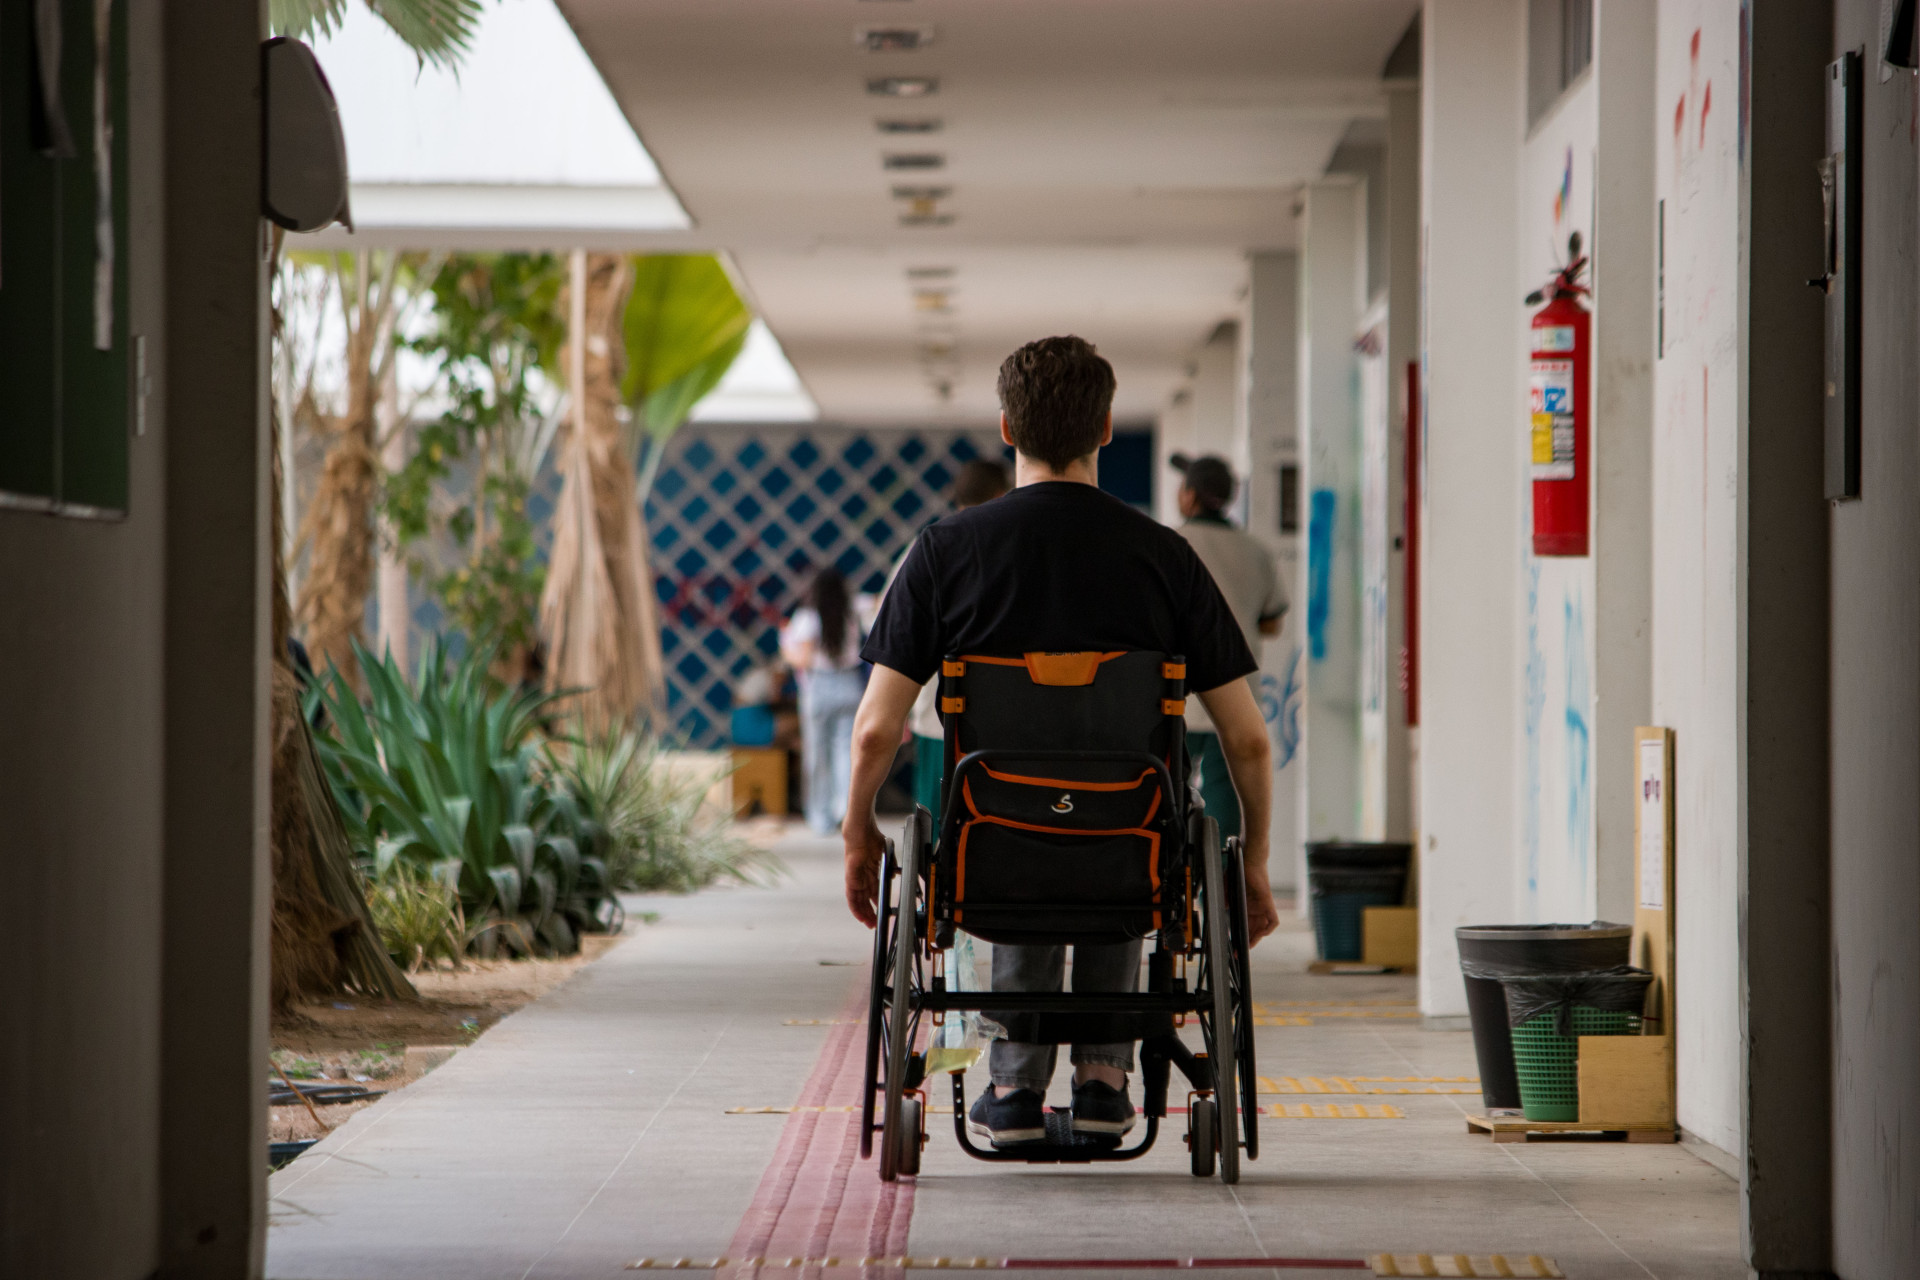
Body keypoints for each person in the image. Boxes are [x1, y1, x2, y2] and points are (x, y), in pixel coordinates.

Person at [843, 335, 1281, 1148]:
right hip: (1131, 848)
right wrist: (1251, 862)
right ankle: (1106, 1083)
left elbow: (875, 727)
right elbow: (1248, 742)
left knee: (1013, 829)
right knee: (1133, 835)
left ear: (1007, 428)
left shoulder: (943, 554)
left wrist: (856, 834)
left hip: (992, 846)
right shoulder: (1167, 558)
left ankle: (1011, 1088)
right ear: (1107, 427)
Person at [881, 458, 1012, 821]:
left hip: (938, 721)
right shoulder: (1019, 549)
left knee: (938, 832)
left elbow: (888, 630)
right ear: (1003, 495)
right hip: (1011, 725)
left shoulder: (926, 549)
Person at [1170, 453, 1288, 842]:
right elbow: (1272, 622)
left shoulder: (1171, 544)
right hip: (1236, 696)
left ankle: (1173, 877)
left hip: (1178, 696)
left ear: (1189, 496)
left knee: (1170, 791)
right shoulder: (1256, 551)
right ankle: (1219, 884)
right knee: (1224, 794)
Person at [780, 568, 867, 834]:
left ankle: (820, 816)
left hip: (819, 686)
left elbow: (802, 659)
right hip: (850, 683)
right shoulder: (854, 609)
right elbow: (878, 601)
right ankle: (845, 809)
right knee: (846, 751)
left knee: (817, 753)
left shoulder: (807, 616)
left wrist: (784, 644)